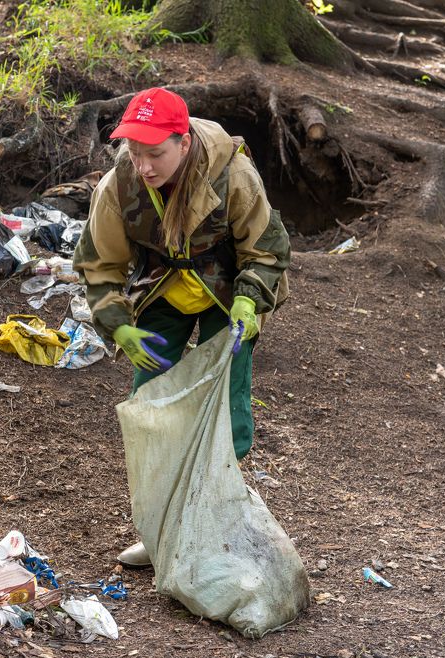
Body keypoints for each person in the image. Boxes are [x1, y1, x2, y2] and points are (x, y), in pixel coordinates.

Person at [72, 87, 291, 567]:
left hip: (228, 295)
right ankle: (160, 531)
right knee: (152, 403)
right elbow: (99, 263)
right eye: (135, 152)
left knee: (225, 405)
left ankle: (212, 522)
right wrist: (117, 324)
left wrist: (251, 304)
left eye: (155, 153)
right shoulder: (119, 185)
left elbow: (266, 250)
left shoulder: (233, 173)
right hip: (161, 288)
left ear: (184, 143)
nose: (144, 164)